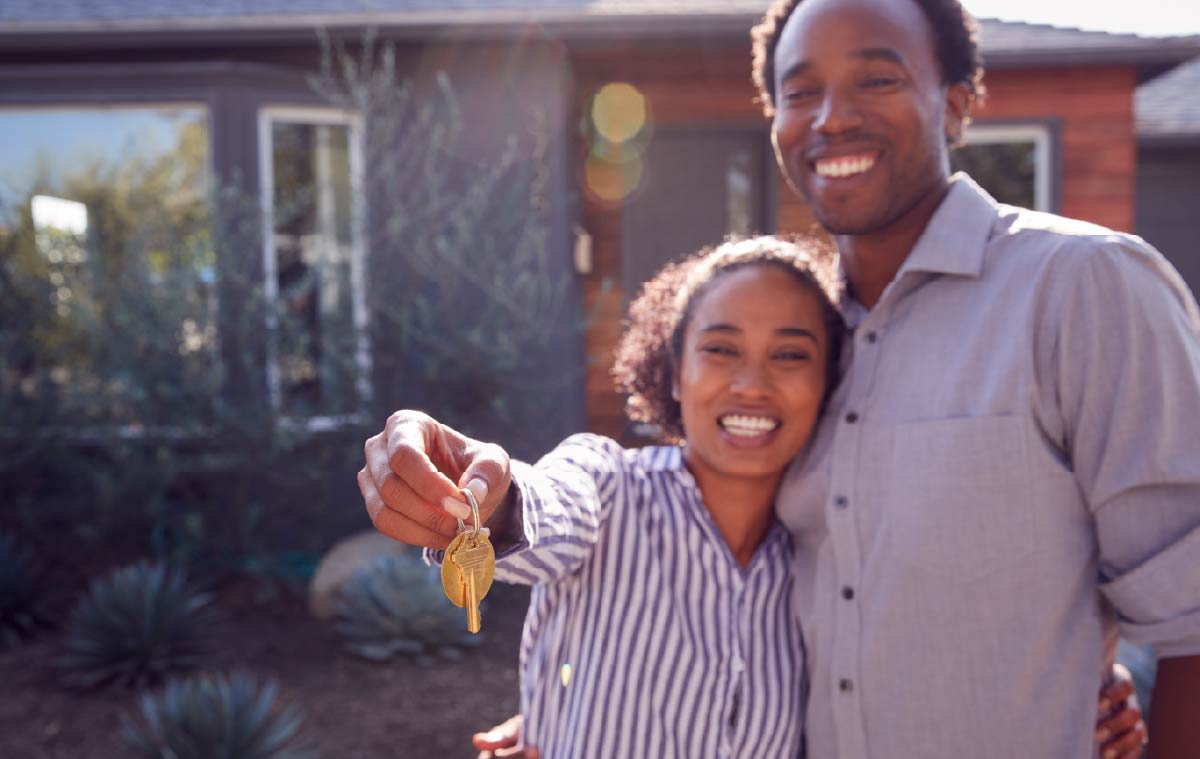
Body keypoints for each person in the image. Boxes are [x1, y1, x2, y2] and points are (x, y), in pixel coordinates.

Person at [360, 239, 1149, 758]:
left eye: (792, 353)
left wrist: (1081, 697)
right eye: (720, 348)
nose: (752, 382)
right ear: (672, 371)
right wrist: (483, 494)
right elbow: (540, 505)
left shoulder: (839, 559)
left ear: (832, 382)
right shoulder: (609, 485)